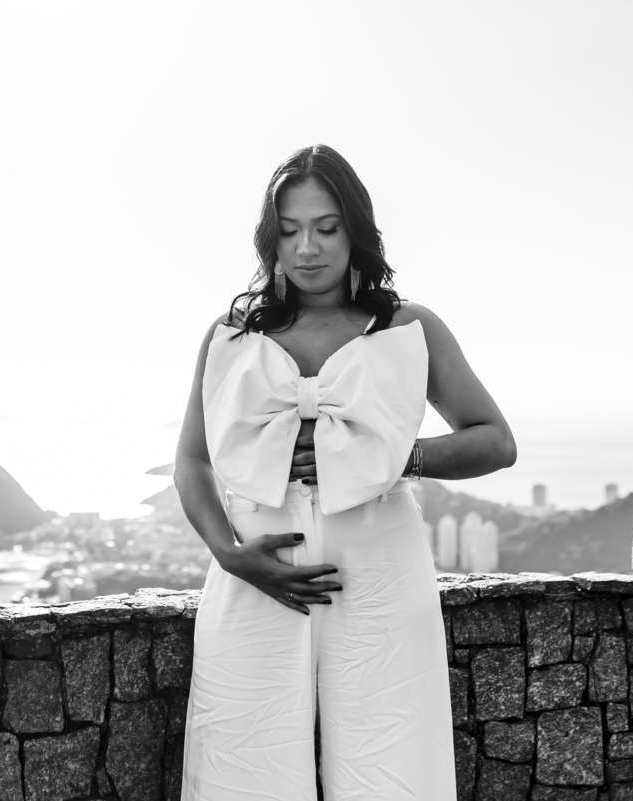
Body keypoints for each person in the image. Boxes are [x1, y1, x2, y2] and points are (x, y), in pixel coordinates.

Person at [174, 144, 516, 800]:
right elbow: (191, 459)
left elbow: (495, 441)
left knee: (395, 772)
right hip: (254, 579)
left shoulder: (409, 327)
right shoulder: (229, 335)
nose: (308, 247)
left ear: (355, 230)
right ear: (269, 239)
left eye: (327, 227)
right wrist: (231, 553)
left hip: (382, 576)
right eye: (291, 229)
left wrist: (395, 459)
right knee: (238, 768)